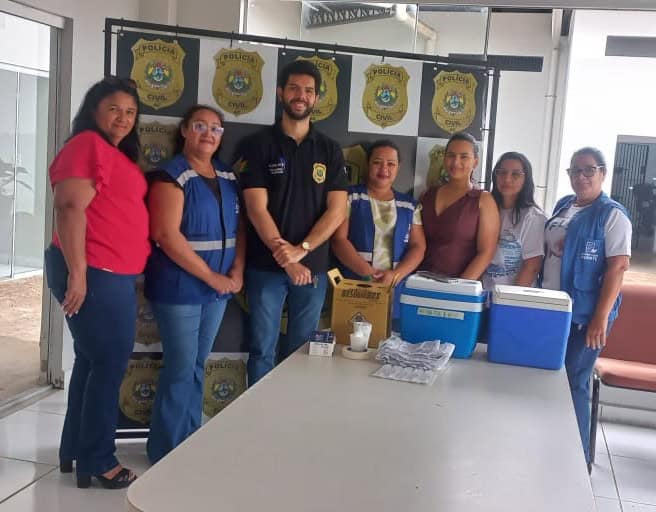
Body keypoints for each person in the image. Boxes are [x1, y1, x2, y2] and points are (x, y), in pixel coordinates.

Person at [44, 76, 149, 489]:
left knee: (92, 361)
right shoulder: (87, 144)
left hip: (109, 274)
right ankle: (98, 459)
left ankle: (75, 450)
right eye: (114, 109)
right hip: (96, 272)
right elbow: (69, 207)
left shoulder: (112, 152)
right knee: (108, 364)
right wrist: (79, 272)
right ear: (94, 110)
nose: (123, 118)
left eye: (131, 112)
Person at [236, 60, 348, 386]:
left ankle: (290, 414)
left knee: (301, 352)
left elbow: (337, 211)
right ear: (280, 92)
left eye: (309, 91)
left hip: (311, 268)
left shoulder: (329, 150)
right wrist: (287, 259)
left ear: (317, 98)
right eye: (295, 88)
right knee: (261, 350)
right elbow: (256, 209)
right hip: (265, 267)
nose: (301, 96)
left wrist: (302, 250)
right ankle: (259, 414)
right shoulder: (257, 145)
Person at [144, 105, 245, 464]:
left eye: (215, 128)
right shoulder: (170, 176)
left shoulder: (228, 176)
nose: (208, 134)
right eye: (200, 126)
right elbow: (165, 235)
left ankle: (187, 442)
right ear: (185, 130)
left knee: (198, 365)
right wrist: (213, 277)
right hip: (179, 289)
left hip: (216, 291)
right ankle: (165, 453)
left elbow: (240, 229)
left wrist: (237, 271)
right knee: (180, 369)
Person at [541, 147, 632, 471]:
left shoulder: (612, 215)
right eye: (575, 171)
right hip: (552, 309)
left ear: (602, 173)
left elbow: (618, 268)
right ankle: (549, 448)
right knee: (550, 380)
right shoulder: (565, 205)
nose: (581, 177)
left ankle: (577, 461)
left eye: (589, 170)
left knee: (574, 382)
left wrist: (600, 318)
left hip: (584, 316)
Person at [331, 140, 425, 318]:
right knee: (352, 331)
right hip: (355, 283)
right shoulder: (350, 197)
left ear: (398, 167)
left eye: (391, 164)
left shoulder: (410, 205)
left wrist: (395, 275)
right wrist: (368, 273)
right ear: (367, 164)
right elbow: (338, 240)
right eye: (377, 162)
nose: (384, 169)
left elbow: (418, 246)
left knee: (392, 331)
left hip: (395, 287)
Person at [420, 132, 500, 279]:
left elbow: (486, 253)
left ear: (475, 162)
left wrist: (460, 287)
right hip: (419, 282)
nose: (456, 162)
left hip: (460, 287)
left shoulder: (483, 200)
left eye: (464, 157)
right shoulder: (427, 195)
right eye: (451, 155)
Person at [483, 152, 546, 289]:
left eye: (515, 174)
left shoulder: (533, 217)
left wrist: (509, 298)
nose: (507, 179)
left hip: (514, 296)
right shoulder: (487, 208)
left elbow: (532, 267)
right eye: (502, 172)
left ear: (526, 179)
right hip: (483, 293)